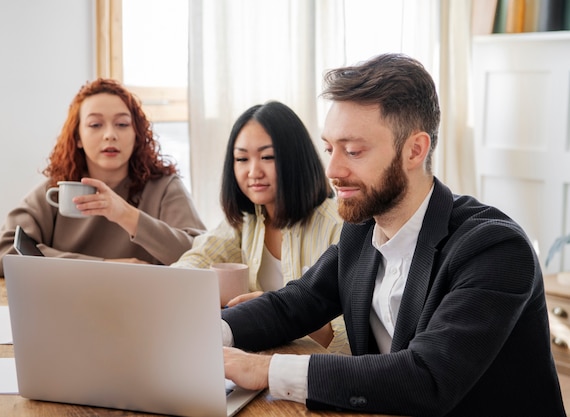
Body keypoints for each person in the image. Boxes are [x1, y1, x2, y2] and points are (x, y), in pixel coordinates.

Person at [221, 54, 566, 416]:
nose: (333, 170)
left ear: (414, 150)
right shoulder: (362, 232)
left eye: (353, 151)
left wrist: (263, 369)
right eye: (329, 149)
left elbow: (427, 377)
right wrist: (207, 336)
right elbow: (293, 305)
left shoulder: (495, 250)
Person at [172, 101, 348, 353]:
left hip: (312, 373)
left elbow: (352, 341)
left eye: (267, 157)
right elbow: (199, 258)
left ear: (296, 159)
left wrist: (282, 314)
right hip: (256, 363)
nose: (253, 171)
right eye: (242, 159)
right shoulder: (248, 220)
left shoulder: (337, 226)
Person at [0, 78, 206, 277]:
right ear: (78, 138)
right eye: (95, 125)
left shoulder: (165, 188)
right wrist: (105, 267)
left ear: (136, 134)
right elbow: (6, 255)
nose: (110, 134)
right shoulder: (58, 190)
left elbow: (202, 257)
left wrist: (125, 214)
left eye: (122, 124)